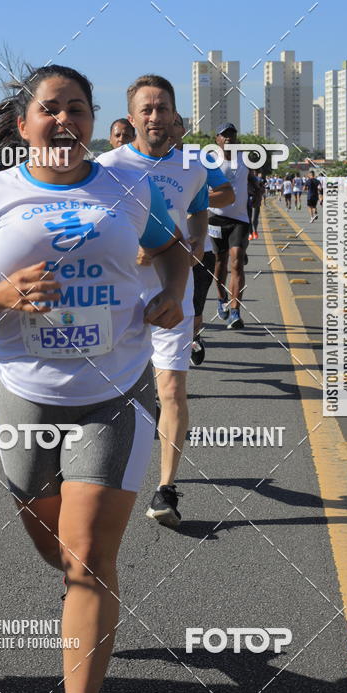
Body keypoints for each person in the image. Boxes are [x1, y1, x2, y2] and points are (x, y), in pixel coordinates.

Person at [0, 64, 188, 693]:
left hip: (115, 391)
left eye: (78, 107)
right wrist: (1, 295)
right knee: (56, 549)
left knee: (86, 559)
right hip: (25, 397)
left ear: (93, 119)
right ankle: (85, 596)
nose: (65, 120)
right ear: (24, 125)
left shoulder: (129, 185)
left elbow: (174, 251)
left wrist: (170, 296)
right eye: (50, 108)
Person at [98, 76, 208, 529]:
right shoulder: (106, 166)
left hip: (170, 293)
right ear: (131, 117)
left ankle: (165, 491)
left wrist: (189, 250)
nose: (154, 117)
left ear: (174, 113)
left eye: (162, 108)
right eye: (145, 109)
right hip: (117, 293)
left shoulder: (194, 168)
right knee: (111, 392)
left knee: (171, 389)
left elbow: (199, 221)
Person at [168, 112, 234, 367]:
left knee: (192, 315)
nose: (170, 129)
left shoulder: (198, 159)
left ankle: (194, 336)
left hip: (198, 252)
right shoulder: (144, 161)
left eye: (176, 124)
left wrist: (195, 200)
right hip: (157, 252)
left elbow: (227, 196)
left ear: (183, 130)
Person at [208, 123, 250, 330]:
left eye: (232, 135)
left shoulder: (245, 158)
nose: (228, 139)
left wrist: (258, 187)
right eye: (224, 135)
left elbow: (251, 180)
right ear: (217, 139)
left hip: (239, 220)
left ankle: (235, 311)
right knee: (219, 262)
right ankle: (220, 296)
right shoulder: (209, 161)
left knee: (236, 262)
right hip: (216, 219)